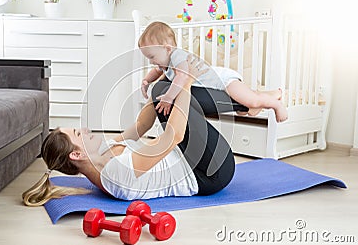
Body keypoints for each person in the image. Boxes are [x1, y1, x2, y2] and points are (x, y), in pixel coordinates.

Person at [22, 55, 249, 206]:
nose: (85, 129)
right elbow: (175, 136)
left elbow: (141, 127)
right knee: (170, 89)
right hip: (210, 172)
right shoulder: (117, 173)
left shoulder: (103, 153)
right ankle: (246, 102)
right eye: (78, 134)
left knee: (163, 89)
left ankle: (247, 103)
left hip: (192, 158)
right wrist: (185, 81)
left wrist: (160, 84)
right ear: (77, 154)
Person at [138, 21, 288, 122]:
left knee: (251, 100)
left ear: (167, 48)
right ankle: (273, 94)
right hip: (217, 81)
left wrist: (169, 97)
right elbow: (156, 71)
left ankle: (276, 104)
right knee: (248, 102)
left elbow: (182, 77)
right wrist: (146, 80)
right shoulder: (164, 61)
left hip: (224, 80)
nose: (151, 61)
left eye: (152, 56)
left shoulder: (178, 56)